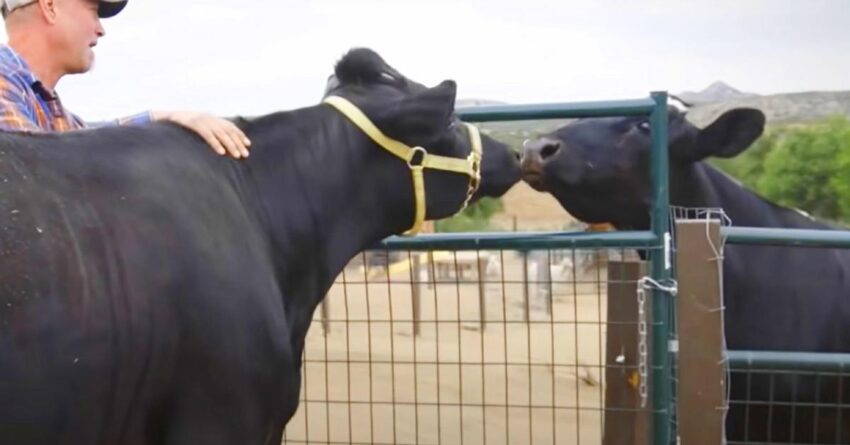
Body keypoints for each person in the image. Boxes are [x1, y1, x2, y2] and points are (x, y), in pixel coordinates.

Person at [0, 0, 251, 159]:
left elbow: (86, 140)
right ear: (50, 6)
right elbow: (32, 169)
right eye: (94, 11)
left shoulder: (41, 103)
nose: (100, 29)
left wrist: (163, 118)